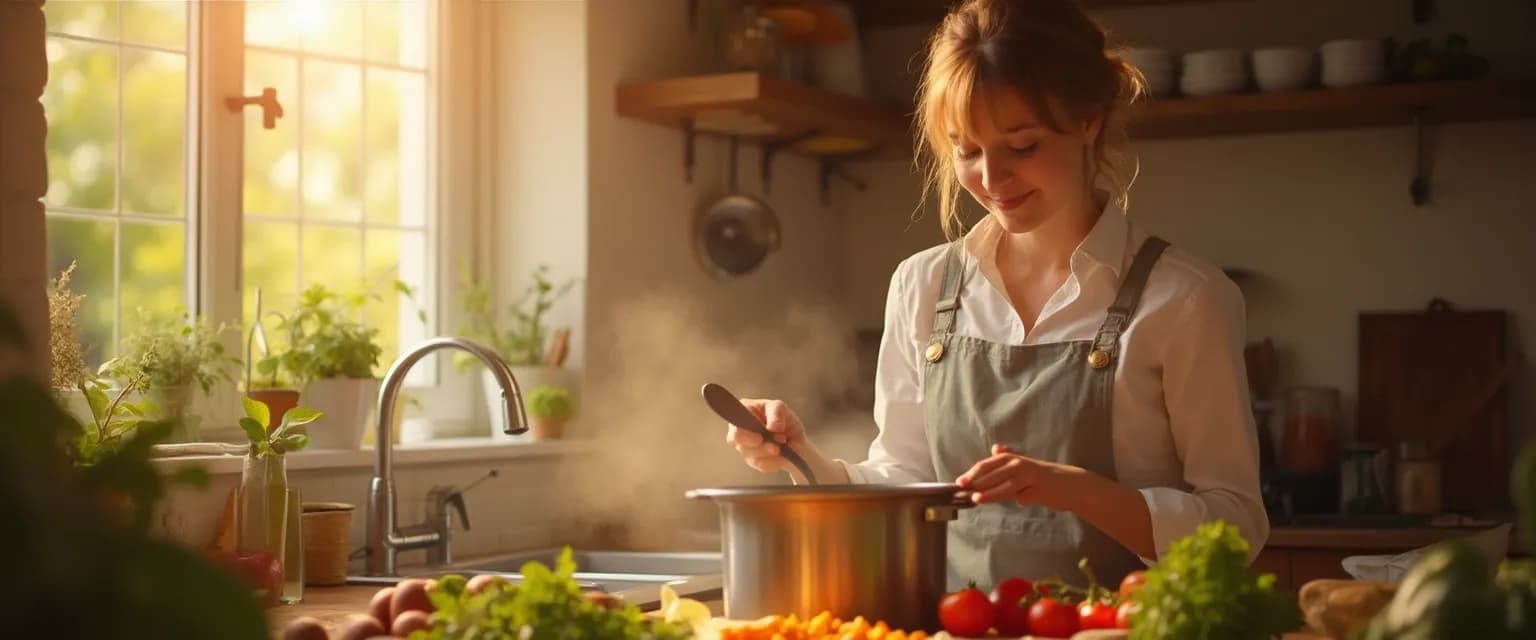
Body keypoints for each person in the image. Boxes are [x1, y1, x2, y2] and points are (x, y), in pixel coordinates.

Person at [722, 0, 1268, 589]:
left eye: (1023, 145)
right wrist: (805, 459)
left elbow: (1236, 527)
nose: (992, 178)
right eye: (967, 150)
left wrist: (1081, 492)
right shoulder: (922, 285)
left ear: (1090, 120)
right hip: (959, 626)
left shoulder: (1186, 299)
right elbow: (904, 478)